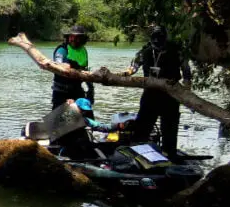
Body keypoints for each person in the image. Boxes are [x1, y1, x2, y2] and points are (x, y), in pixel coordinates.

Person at [121, 25, 192, 156]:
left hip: (170, 93)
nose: (158, 42)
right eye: (155, 38)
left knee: (169, 127)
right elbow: (134, 65)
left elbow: (186, 69)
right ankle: (138, 151)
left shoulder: (176, 50)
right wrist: (127, 73)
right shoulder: (146, 51)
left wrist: (187, 87)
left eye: (160, 38)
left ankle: (169, 153)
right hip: (151, 92)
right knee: (143, 124)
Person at [56, 98, 120, 160]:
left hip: (77, 147)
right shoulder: (69, 118)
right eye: (81, 109)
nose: (83, 112)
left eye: (84, 111)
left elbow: (100, 126)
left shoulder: (84, 120)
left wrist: (116, 126)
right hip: (68, 149)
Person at [51, 24, 95, 110]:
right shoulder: (62, 50)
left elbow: (85, 71)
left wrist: (91, 89)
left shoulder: (83, 51)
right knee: (60, 118)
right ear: (68, 37)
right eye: (71, 37)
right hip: (61, 91)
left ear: (83, 39)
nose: (73, 40)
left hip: (77, 89)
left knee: (84, 113)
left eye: (77, 37)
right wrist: (67, 66)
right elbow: (58, 66)